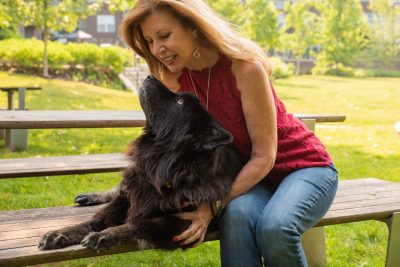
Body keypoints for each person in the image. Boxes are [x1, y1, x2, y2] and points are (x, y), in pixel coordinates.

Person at [120, 1, 338, 266]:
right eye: (150, 41)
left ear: (194, 28)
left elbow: (263, 156)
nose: (157, 49)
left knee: (275, 228)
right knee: (235, 218)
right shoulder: (172, 78)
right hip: (250, 180)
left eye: (164, 36)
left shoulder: (245, 68)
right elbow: (168, 148)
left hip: (303, 167)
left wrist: (212, 206)